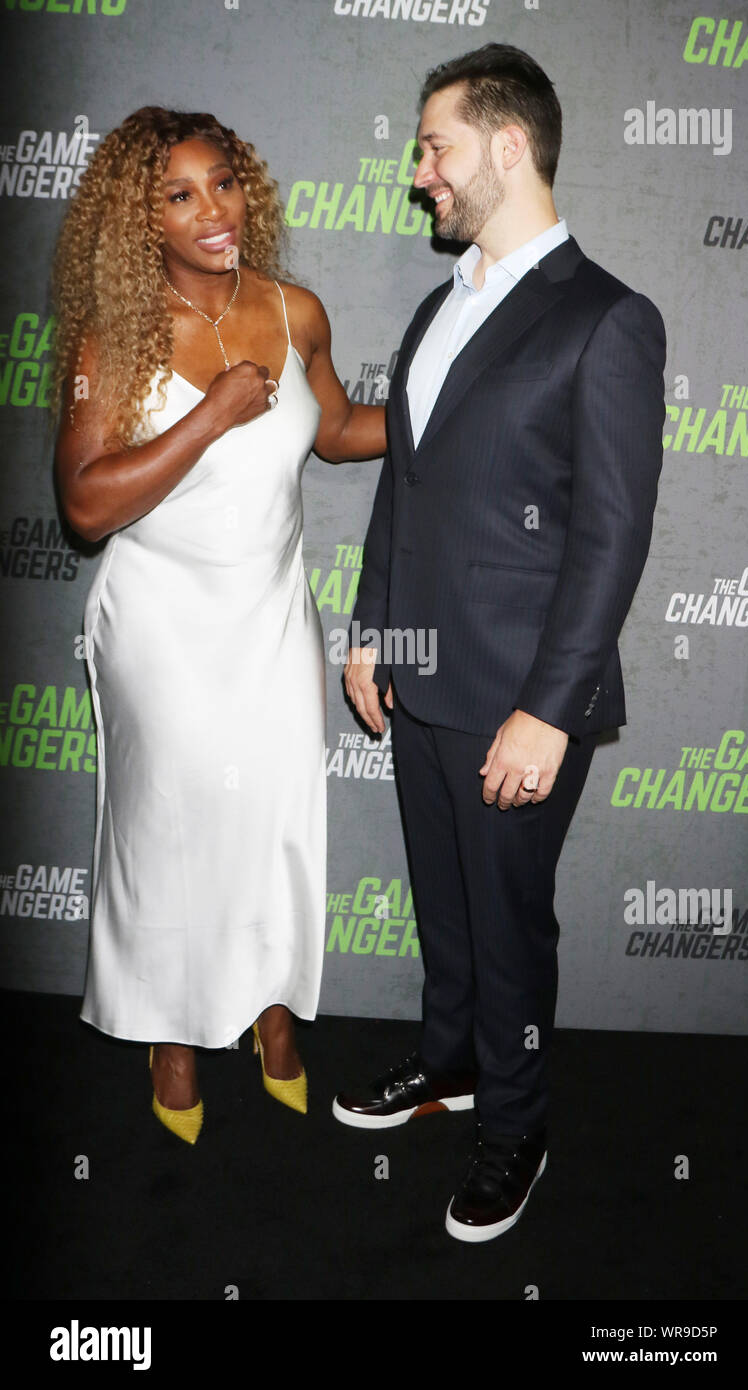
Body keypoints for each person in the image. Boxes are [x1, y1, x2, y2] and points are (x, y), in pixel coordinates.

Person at [336, 45, 666, 1241]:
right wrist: (371, 629)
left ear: (505, 146)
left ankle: (514, 1122)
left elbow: (611, 539)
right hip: (420, 679)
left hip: (523, 696)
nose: (416, 169)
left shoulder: (607, 319)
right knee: (445, 905)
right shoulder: (437, 305)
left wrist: (548, 707)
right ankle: (447, 1063)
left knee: (509, 925)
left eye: (434, 144)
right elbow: (403, 494)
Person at [52, 107, 385, 1144]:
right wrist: (212, 413)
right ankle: (171, 1034)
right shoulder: (114, 339)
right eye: (180, 194)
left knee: (277, 818)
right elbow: (86, 506)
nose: (214, 212)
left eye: (225, 183)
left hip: (274, 613)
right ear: (137, 218)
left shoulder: (296, 311)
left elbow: (332, 431)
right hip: (160, 623)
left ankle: (272, 1015)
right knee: (173, 827)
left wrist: (450, 411)